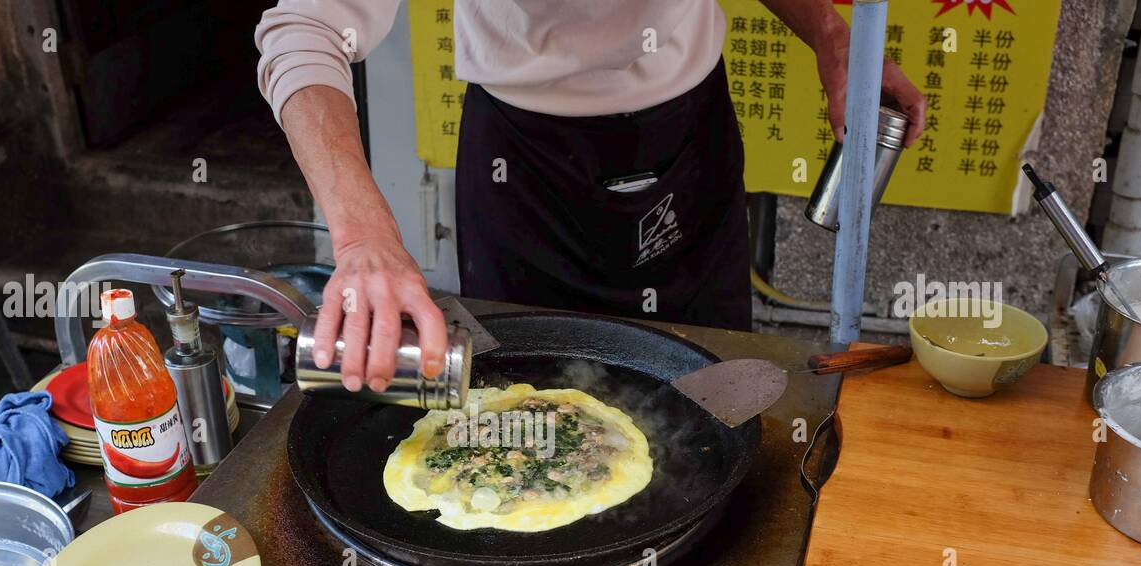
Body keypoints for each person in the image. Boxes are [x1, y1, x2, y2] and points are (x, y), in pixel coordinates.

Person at [256, 1, 925, 392]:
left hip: (688, 137)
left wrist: (833, 37)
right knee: (521, 400)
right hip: (522, 162)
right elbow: (307, 28)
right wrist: (365, 237)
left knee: (709, 388)